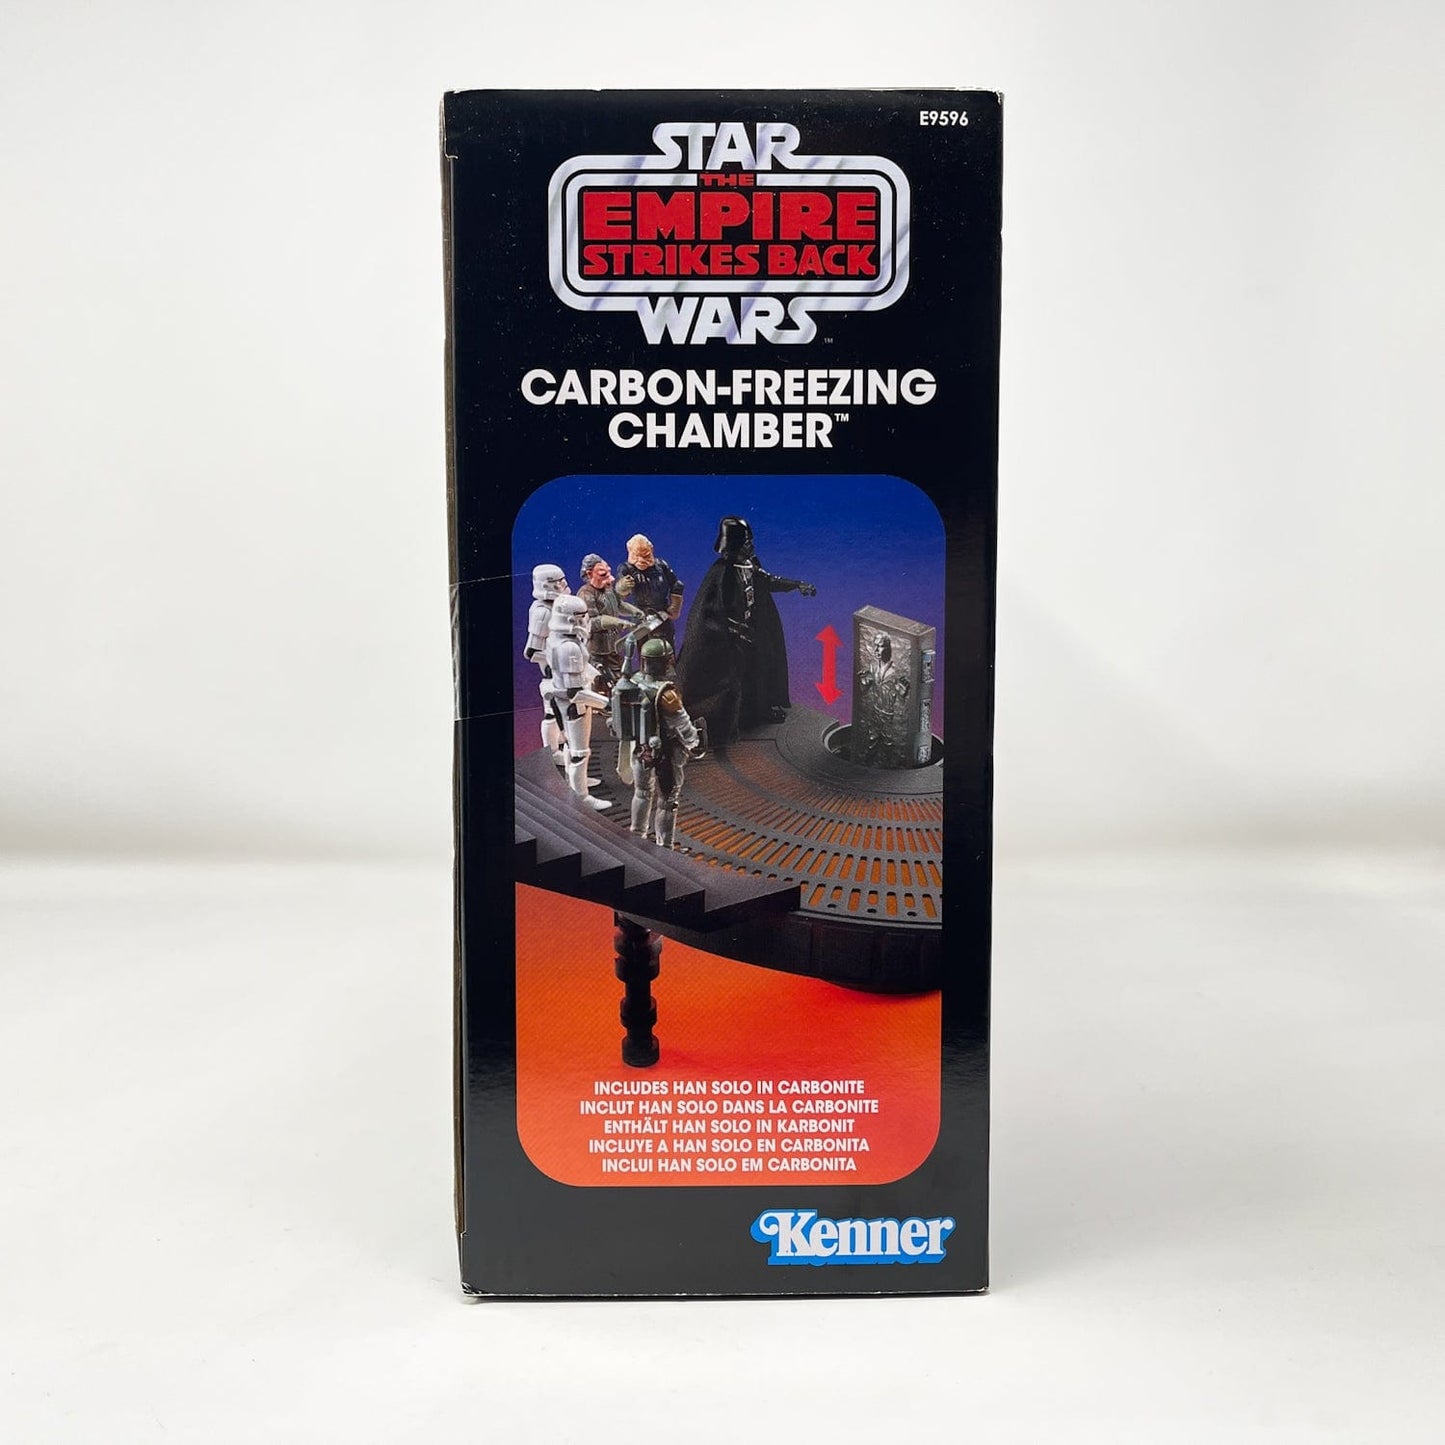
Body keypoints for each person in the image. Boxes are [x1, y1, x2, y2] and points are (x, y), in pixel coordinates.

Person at [675, 516, 816, 744]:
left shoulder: (750, 565)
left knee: (760, 672)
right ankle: (725, 727)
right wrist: (734, 632)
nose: (750, 546)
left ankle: (758, 713)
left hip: (748, 635)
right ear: (734, 545)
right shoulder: (721, 573)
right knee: (732, 683)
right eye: (746, 542)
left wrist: (797, 585)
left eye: (750, 541)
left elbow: (769, 581)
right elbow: (712, 612)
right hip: (727, 642)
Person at [611, 639, 705, 849]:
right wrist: (694, 742)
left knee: (642, 793)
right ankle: (665, 847)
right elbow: (684, 727)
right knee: (667, 802)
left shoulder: (633, 682)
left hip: (640, 750)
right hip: (667, 754)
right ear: (666, 662)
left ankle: (637, 836)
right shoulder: (667, 695)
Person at [615, 535, 683, 647]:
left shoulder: (661, 565)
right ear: (630, 551)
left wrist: (675, 606)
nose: (641, 560)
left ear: (651, 550)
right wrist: (622, 586)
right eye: (636, 556)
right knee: (645, 650)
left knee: (667, 648)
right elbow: (618, 593)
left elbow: (677, 584)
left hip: (662, 615)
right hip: (640, 617)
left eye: (645, 555)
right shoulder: (626, 569)